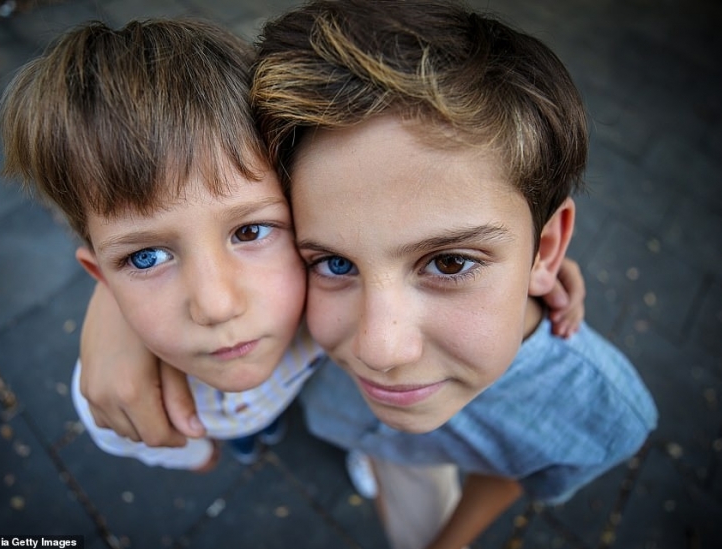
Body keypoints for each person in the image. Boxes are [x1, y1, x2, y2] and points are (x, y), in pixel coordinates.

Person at [249, 1, 658, 548]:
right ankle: (373, 449)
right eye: (335, 263)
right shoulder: (294, 296)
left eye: (449, 262)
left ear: (546, 249)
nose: (380, 349)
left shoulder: (602, 419)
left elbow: (517, 467)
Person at [0, 18, 325, 470]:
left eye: (249, 232)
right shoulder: (113, 406)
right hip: (210, 426)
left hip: (277, 397)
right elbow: (181, 455)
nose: (215, 305)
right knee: (240, 436)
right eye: (145, 256)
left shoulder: (342, 312)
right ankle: (244, 438)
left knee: (264, 418)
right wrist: (196, 455)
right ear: (102, 279)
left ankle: (260, 427)